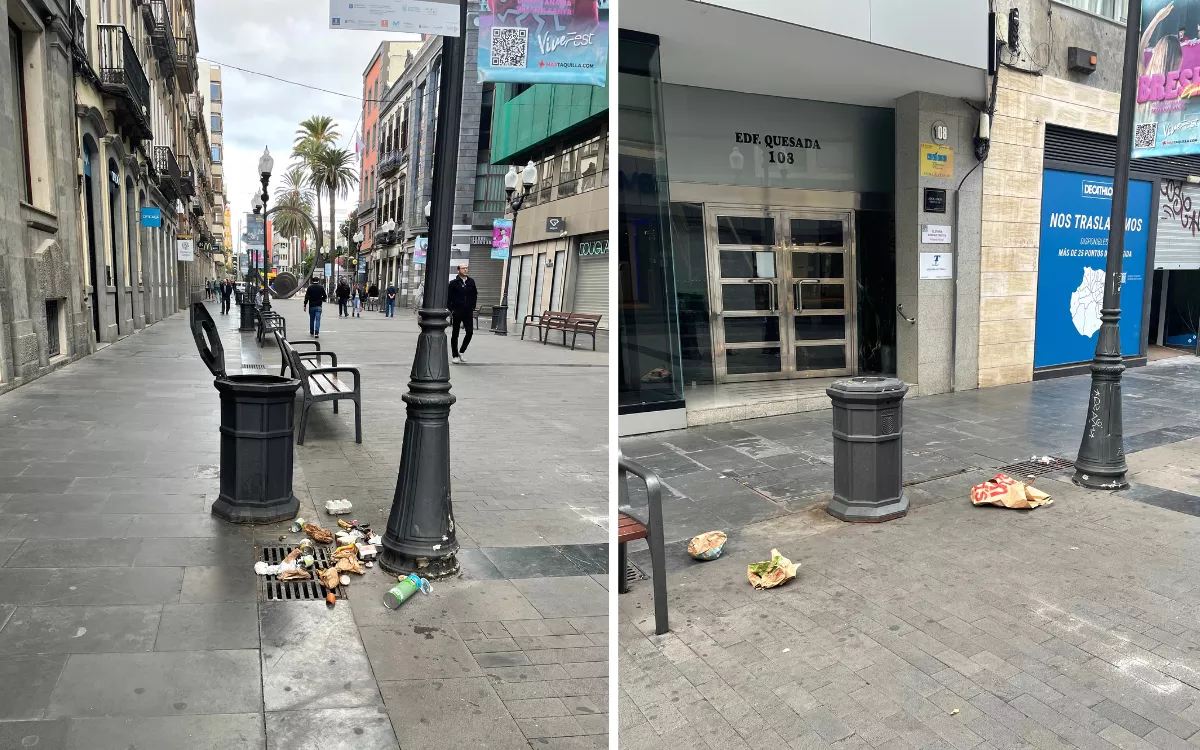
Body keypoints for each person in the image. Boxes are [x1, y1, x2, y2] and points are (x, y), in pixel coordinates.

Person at [448, 264, 477, 364]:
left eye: (466, 268)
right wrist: (451, 309)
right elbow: (449, 297)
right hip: (457, 311)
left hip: (468, 311)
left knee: (470, 332)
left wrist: (473, 307)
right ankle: (455, 355)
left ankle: (461, 351)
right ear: (458, 270)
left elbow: (475, 295)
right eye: (463, 268)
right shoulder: (453, 283)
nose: (465, 269)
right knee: (455, 333)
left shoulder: (471, 281)